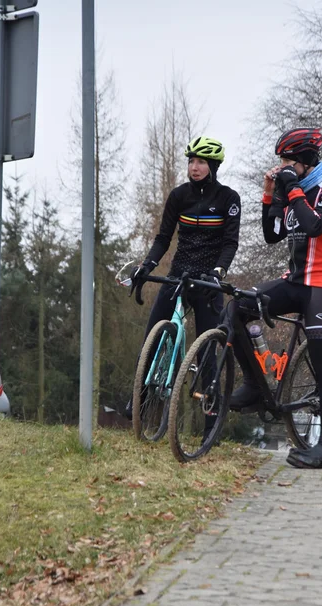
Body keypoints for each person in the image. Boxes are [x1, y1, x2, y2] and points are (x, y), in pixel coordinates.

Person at [229, 127, 322, 469]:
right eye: (281, 161)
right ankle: (254, 383)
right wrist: (271, 194)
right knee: (237, 306)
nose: (283, 166)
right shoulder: (290, 189)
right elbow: (272, 234)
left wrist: (293, 189)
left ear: (306, 161)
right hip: (294, 281)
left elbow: (314, 225)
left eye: (288, 161)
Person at [125, 135, 241, 420]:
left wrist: (218, 272)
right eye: (191, 161)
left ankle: (210, 416)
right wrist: (147, 265)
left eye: (201, 162)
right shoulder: (179, 196)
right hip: (179, 274)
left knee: (206, 352)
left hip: (207, 279)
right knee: (151, 338)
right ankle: (137, 401)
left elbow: (230, 243)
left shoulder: (228, 198)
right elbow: (163, 237)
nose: (195, 167)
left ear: (212, 166)